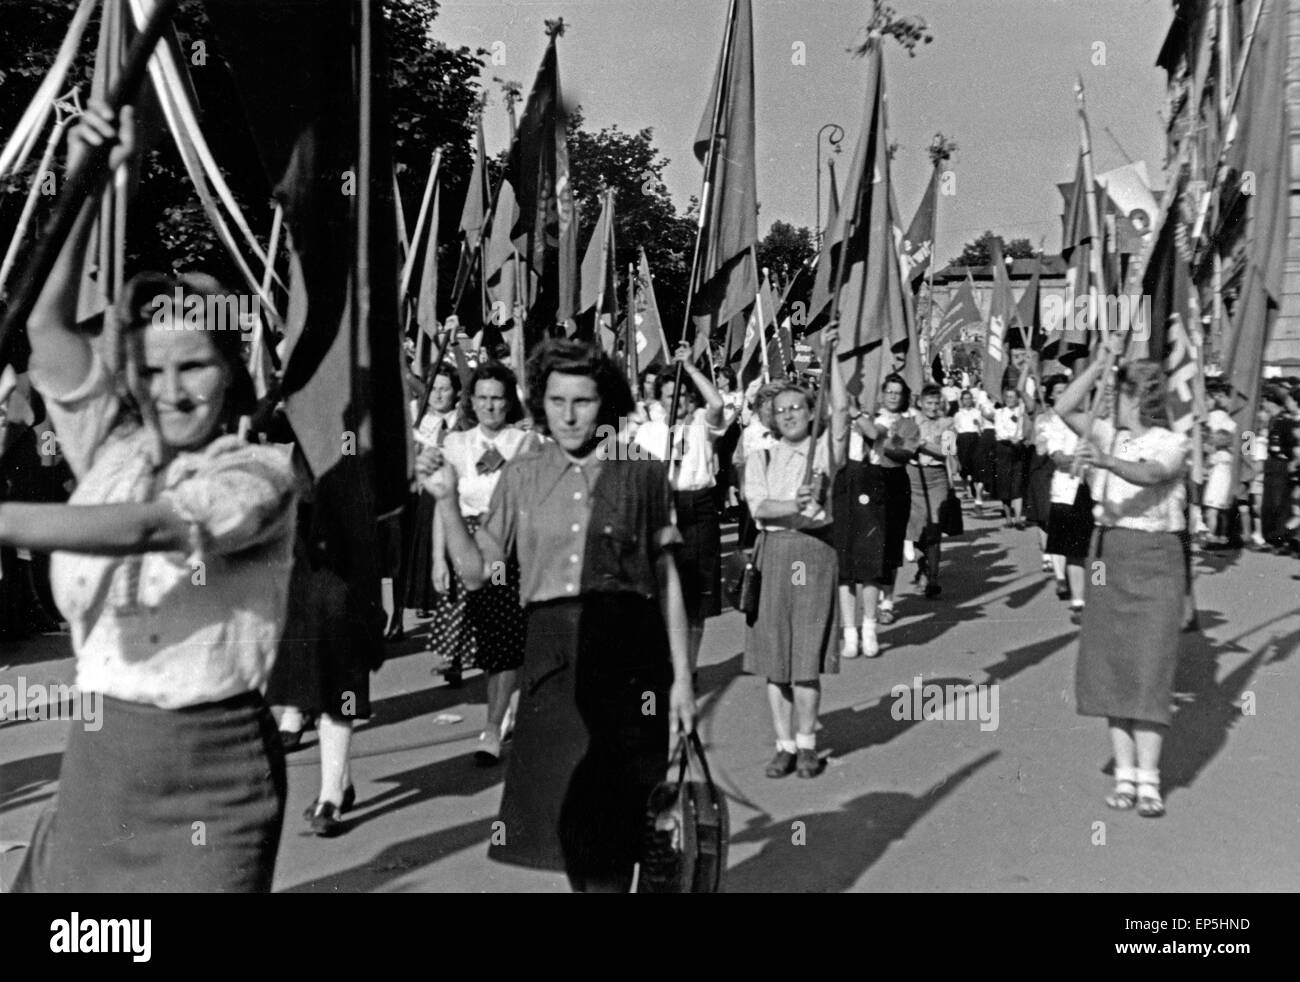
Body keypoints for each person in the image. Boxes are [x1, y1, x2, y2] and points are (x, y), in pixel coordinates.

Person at [8, 102, 297, 890]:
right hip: (100, 762)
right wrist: (87, 178)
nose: (173, 390)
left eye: (194, 366)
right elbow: (45, 324)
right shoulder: (109, 445)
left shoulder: (261, 473)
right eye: (154, 369)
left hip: (213, 778)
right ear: (132, 374)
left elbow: (147, 529)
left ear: (231, 369)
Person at [425, 339, 695, 892]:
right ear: (541, 403)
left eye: (584, 401)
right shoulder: (522, 473)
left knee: (617, 824)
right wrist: (447, 502)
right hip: (551, 657)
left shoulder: (639, 470)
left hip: (629, 654)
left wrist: (684, 681)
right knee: (567, 824)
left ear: (606, 404)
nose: (569, 416)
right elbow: (479, 573)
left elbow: (665, 578)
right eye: (556, 400)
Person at [1056, 340, 1190, 818]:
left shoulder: (1171, 442)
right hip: (1108, 552)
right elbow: (1064, 405)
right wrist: (1098, 364)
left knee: (1150, 668)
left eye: (1119, 391)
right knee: (1111, 666)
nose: (1111, 400)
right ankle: (1126, 776)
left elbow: (1152, 474)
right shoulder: (1110, 432)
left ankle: (1150, 781)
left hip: (1156, 558)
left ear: (1140, 396)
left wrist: (1106, 460)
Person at [743, 346, 849, 778]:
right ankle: (783, 744)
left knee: (805, 656)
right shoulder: (760, 457)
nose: (788, 414)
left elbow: (842, 409)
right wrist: (794, 502)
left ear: (811, 412)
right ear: (772, 418)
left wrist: (836, 358)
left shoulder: (824, 453)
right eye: (781, 409)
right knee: (775, 659)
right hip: (774, 553)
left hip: (813, 552)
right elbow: (760, 508)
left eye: (797, 407)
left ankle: (807, 745)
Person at [438, 361, 540, 763]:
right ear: (472, 401)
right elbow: (441, 501)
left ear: (508, 402)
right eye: (482, 398)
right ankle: (503, 710)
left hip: (509, 549)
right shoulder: (456, 444)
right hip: (467, 546)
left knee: (505, 640)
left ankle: (492, 728)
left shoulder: (524, 442)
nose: (490, 406)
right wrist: (437, 558)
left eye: (498, 398)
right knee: (487, 643)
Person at [633, 346, 726, 672]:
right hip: (663, 508)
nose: (679, 402)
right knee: (663, 591)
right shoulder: (647, 432)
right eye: (671, 396)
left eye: (685, 395)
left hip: (698, 508)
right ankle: (668, 662)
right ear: (660, 399)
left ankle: (688, 665)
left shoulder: (703, 422)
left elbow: (716, 403)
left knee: (697, 599)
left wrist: (690, 367)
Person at [857, 374, 920, 625]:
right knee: (872, 542)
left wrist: (881, 442)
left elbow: (905, 454)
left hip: (897, 482)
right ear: (882, 394)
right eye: (889, 391)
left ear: (904, 396)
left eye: (898, 392)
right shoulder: (870, 419)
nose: (893, 396)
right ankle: (871, 600)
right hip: (871, 480)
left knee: (892, 544)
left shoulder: (910, 424)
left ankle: (887, 601)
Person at [1036, 375, 1092, 618]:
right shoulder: (1053, 423)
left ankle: (1097, 590)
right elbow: (1055, 455)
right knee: (1074, 549)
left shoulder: (1095, 420)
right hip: (1067, 491)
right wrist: (1080, 458)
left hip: (1096, 489)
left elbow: (1121, 451)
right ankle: (1078, 600)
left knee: (1096, 551)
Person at [907, 384, 956, 597]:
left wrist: (923, 444)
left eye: (937, 403)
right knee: (917, 530)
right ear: (920, 403)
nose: (933, 407)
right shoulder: (911, 422)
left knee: (934, 528)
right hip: (913, 477)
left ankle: (933, 578)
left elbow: (947, 452)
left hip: (936, 478)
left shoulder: (947, 423)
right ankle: (923, 569)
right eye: (929, 403)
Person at [986, 379, 1034, 528]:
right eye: (1007, 397)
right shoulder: (999, 413)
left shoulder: (1022, 411)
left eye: (1012, 397)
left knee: (1017, 483)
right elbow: (999, 431)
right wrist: (1010, 437)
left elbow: (1026, 426)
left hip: (1018, 449)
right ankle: (1008, 517)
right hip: (1003, 449)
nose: (1009, 400)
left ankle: (1018, 518)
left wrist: (1019, 438)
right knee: (1004, 484)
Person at [953, 390, 984, 504]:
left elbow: (981, 429)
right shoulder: (958, 414)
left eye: (969, 398)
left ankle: (974, 487)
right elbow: (956, 429)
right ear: (961, 401)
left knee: (975, 465)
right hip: (963, 439)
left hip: (974, 439)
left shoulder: (977, 413)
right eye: (965, 399)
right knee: (964, 466)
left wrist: (978, 425)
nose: (967, 401)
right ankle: (967, 487)